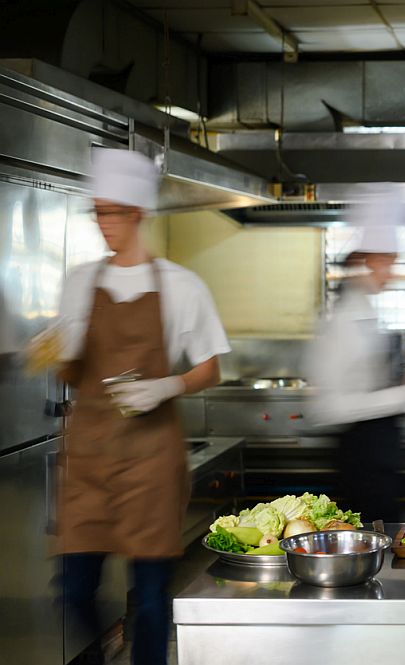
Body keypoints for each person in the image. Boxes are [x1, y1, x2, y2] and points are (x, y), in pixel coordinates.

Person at [53, 148, 229, 665]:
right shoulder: (79, 283)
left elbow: (209, 367)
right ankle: (107, 652)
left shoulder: (180, 285)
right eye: (98, 212)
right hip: (88, 459)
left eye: (112, 212)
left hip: (151, 461)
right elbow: (71, 369)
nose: (104, 223)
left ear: (138, 214)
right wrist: (58, 354)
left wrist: (165, 387)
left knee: (151, 602)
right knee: (72, 589)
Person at [303, 184, 405, 523]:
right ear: (367, 262)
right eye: (388, 263)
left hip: (380, 455)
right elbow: (330, 406)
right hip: (361, 457)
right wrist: (403, 393)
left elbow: (367, 381)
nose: (392, 273)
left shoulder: (364, 308)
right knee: (371, 542)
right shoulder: (341, 320)